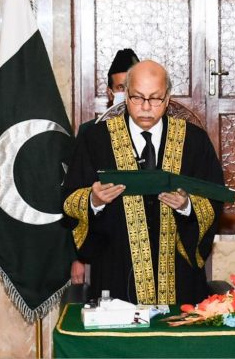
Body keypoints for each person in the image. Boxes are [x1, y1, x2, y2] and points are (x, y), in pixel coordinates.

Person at [63, 60, 224, 305]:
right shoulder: (95, 140)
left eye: (155, 98)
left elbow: (215, 198)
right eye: (138, 98)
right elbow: (68, 200)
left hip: (180, 282)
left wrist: (187, 206)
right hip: (115, 278)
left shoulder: (195, 141)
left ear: (168, 98)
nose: (146, 107)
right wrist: (93, 200)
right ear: (125, 96)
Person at [70, 48, 140, 285]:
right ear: (111, 93)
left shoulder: (162, 129)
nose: (126, 93)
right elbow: (74, 192)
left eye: (132, 87)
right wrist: (77, 257)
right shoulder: (92, 132)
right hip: (108, 245)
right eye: (120, 88)